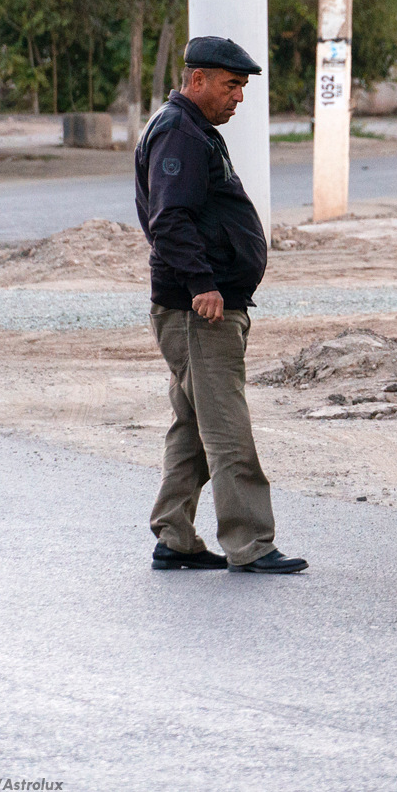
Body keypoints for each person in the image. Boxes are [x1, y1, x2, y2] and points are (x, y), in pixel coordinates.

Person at [135, 35, 307, 574]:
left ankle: (175, 536)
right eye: (231, 85)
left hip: (197, 305)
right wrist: (203, 284)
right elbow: (169, 219)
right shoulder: (180, 133)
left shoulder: (190, 130)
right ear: (198, 80)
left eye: (242, 88)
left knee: (193, 424)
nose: (238, 97)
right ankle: (251, 543)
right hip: (200, 310)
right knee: (226, 427)